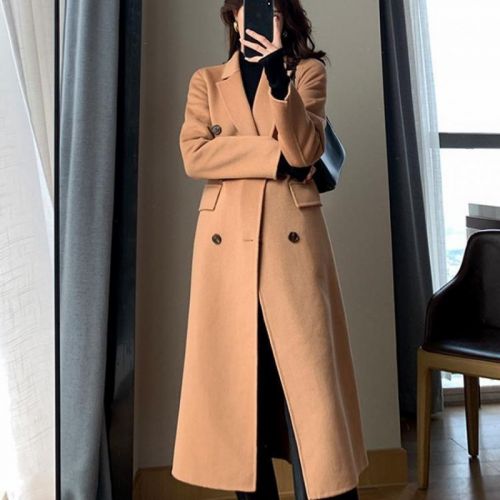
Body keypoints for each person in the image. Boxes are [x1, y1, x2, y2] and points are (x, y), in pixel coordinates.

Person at [171, 1, 370, 499]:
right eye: (248, 8)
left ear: (285, 20)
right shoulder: (206, 81)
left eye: (271, 10)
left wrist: (280, 81)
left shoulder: (306, 74)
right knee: (242, 393)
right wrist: (272, 158)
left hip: (290, 248)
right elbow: (194, 155)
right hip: (226, 252)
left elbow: (304, 151)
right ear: (233, 19)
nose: (259, 18)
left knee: (310, 395)